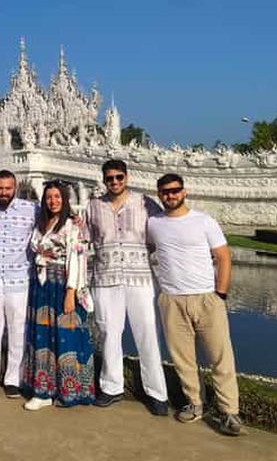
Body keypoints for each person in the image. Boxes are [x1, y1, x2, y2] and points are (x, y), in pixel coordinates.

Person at [148, 173, 242, 436]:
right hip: (171, 299)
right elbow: (145, 248)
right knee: (183, 359)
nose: (170, 195)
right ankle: (195, 403)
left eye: (175, 190)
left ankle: (229, 412)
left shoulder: (204, 221)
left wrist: (220, 295)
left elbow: (223, 257)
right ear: (159, 195)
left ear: (184, 192)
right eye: (165, 192)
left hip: (206, 298)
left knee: (220, 357)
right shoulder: (154, 223)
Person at [84, 159, 169, 415]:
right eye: (110, 178)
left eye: (119, 177)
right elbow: (83, 239)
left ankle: (156, 392)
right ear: (104, 180)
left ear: (127, 177)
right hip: (105, 277)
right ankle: (111, 387)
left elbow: (162, 233)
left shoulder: (145, 203)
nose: (115, 182)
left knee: (147, 334)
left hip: (139, 277)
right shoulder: (93, 206)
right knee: (109, 332)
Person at [22, 180, 95, 409]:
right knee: (42, 337)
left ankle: (70, 390)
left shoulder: (73, 224)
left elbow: (77, 259)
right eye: (49, 197)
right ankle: (43, 390)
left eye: (57, 197)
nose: (53, 201)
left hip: (63, 285)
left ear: (65, 199)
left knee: (67, 335)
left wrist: (71, 291)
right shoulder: (43, 223)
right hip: (41, 286)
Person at [0, 170, 38, 398]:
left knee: (18, 331)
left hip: (19, 280)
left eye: (7, 188)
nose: (3, 192)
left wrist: (75, 219)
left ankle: (14, 378)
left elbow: (54, 217)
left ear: (16, 187)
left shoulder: (31, 209)